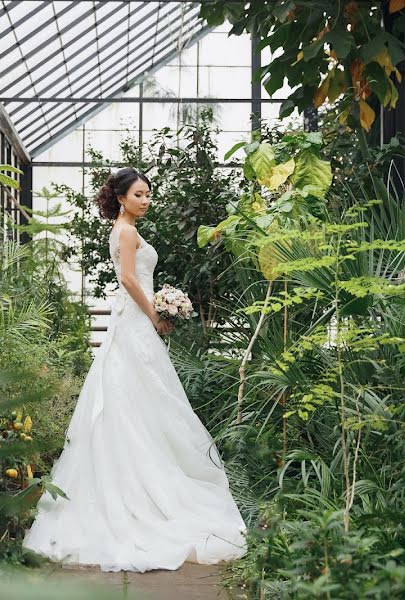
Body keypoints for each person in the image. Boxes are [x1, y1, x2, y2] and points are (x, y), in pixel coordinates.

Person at [21, 167, 247, 573]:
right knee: (138, 396)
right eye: (140, 194)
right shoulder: (125, 232)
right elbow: (127, 278)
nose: (146, 200)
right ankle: (137, 490)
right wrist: (156, 313)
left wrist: (159, 307)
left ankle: (148, 476)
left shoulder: (126, 229)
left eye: (148, 194)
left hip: (134, 323)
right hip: (134, 321)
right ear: (122, 197)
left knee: (145, 398)